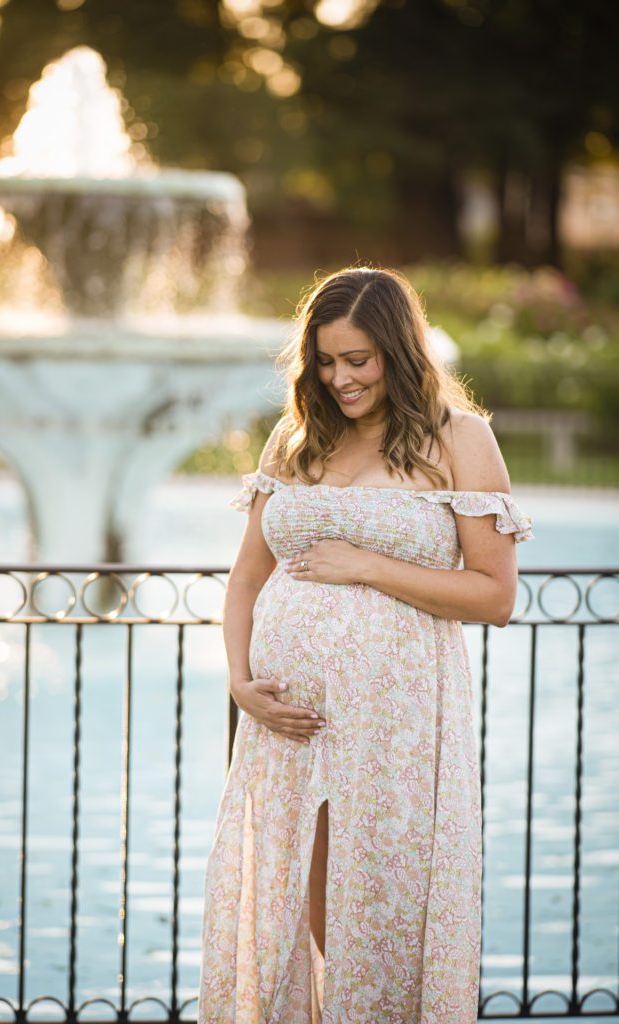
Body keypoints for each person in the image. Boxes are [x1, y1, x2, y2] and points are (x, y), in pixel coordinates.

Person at [197, 265, 534, 1024]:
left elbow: (496, 594)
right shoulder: (297, 441)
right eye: (325, 360)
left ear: (397, 349)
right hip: (287, 727)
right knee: (299, 907)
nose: (340, 378)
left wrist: (368, 566)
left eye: (359, 360)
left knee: (380, 904)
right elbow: (247, 580)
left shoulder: (459, 438)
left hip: (395, 721)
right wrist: (241, 683)